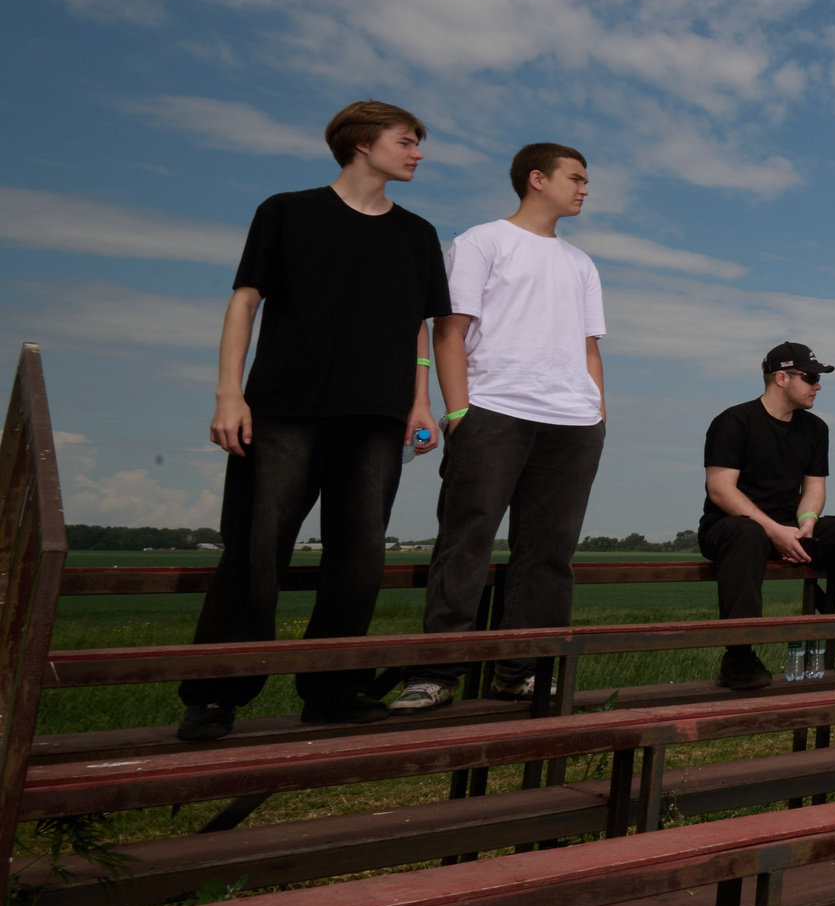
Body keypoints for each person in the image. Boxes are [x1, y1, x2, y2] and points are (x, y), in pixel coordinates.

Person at [177, 101, 451, 741]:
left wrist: (420, 402)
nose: (417, 153)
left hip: (377, 416)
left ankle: (333, 687)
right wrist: (228, 394)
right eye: (407, 141)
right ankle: (217, 694)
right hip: (283, 410)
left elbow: (419, 327)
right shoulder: (286, 211)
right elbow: (245, 302)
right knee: (255, 550)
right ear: (362, 145)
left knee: (359, 557)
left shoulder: (417, 234)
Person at [392, 144, 611, 713]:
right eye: (576, 178)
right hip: (494, 412)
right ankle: (437, 673)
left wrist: (597, 414)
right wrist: (460, 411)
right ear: (537, 180)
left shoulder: (581, 264)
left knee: (548, 554)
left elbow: (589, 348)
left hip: (572, 424)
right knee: (465, 541)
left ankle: (523, 671)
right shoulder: (481, 242)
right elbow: (450, 330)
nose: (585, 188)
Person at [691, 345, 835, 691]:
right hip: (730, 525)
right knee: (747, 534)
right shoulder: (733, 422)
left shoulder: (815, 429)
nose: (818, 386)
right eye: (811, 377)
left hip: (790, 526)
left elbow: (814, 489)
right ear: (781, 378)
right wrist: (775, 531)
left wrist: (808, 522)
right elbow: (721, 490)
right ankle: (738, 656)